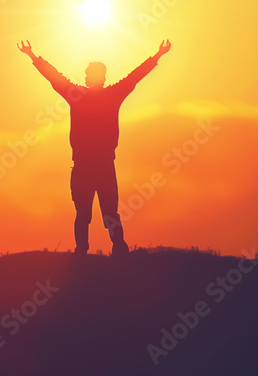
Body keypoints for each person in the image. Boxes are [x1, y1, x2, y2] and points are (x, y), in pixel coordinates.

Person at [17, 39, 171, 256]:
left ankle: (103, 250)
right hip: (93, 166)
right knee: (95, 213)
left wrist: (158, 55)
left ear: (92, 78)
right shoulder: (104, 95)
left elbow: (55, 77)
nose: (91, 77)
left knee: (97, 213)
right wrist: (32, 56)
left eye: (93, 74)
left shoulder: (84, 95)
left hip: (96, 165)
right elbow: (134, 77)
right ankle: (101, 250)